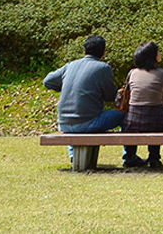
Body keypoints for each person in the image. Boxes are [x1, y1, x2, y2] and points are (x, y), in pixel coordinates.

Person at [43, 34, 141, 167]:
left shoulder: (70, 65)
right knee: (126, 113)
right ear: (103, 52)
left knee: (78, 123)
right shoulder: (103, 68)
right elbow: (110, 97)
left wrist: (67, 87)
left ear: (84, 51)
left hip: (64, 123)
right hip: (87, 123)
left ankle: (73, 155)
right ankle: (129, 157)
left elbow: (47, 81)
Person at [121, 40, 163, 170]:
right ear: (152, 56)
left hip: (133, 120)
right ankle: (154, 157)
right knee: (159, 122)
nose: (160, 53)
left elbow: (128, 92)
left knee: (127, 124)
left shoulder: (132, 73)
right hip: (156, 119)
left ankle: (129, 157)